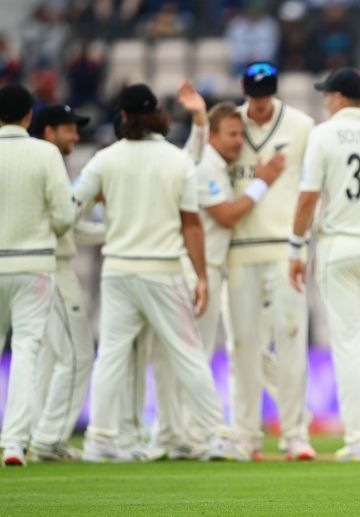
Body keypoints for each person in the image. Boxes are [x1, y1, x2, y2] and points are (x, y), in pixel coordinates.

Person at [73, 83, 233, 462]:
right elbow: (192, 225)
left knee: (111, 356)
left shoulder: (104, 159)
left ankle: (100, 440)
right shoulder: (176, 161)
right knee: (189, 355)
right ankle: (215, 437)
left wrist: (101, 231)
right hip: (163, 271)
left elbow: (68, 211)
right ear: (158, 115)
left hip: (119, 271)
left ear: (124, 117)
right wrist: (203, 277)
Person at [152, 99, 285, 458]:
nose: (237, 141)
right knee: (192, 356)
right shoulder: (207, 168)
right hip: (196, 269)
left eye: (240, 134)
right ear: (212, 135)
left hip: (200, 268)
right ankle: (193, 436)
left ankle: (177, 435)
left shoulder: (212, 164)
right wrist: (264, 181)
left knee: (184, 355)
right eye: (230, 134)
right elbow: (225, 216)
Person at [288, 67, 360, 461]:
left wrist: (295, 249)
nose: (326, 100)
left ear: (339, 97)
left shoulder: (323, 135)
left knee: (348, 344)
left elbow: (307, 199)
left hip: (339, 245)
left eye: (327, 95)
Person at [211, 62, 315, 461]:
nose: (258, 104)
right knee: (243, 346)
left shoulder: (301, 126)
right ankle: (246, 436)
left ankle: (295, 435)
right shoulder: (229, 124)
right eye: (253, 96)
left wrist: (300, 246)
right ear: (244, 91)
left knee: (290, 338)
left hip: (284, 248)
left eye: (265, 94)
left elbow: (312, 186)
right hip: (239, 249)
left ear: (274, 91)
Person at [0, 85, 74, 467]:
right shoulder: (46, 153)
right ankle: (13, 444)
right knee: (26, 353)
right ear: (29, 117)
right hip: (33, 265)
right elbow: (65, 215)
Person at [27, 104, 101, 462]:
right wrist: (87, 203)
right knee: (77, 355)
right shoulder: (46, 164)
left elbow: (68, 226)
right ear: (47, 132)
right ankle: (48, 439)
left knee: (49, 357)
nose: (75, 136)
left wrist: (116, 233)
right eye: (68, 129)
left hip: (34, 268)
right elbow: (62, 223)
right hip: (51, 269)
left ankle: (36, 432)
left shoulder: (35, 163)